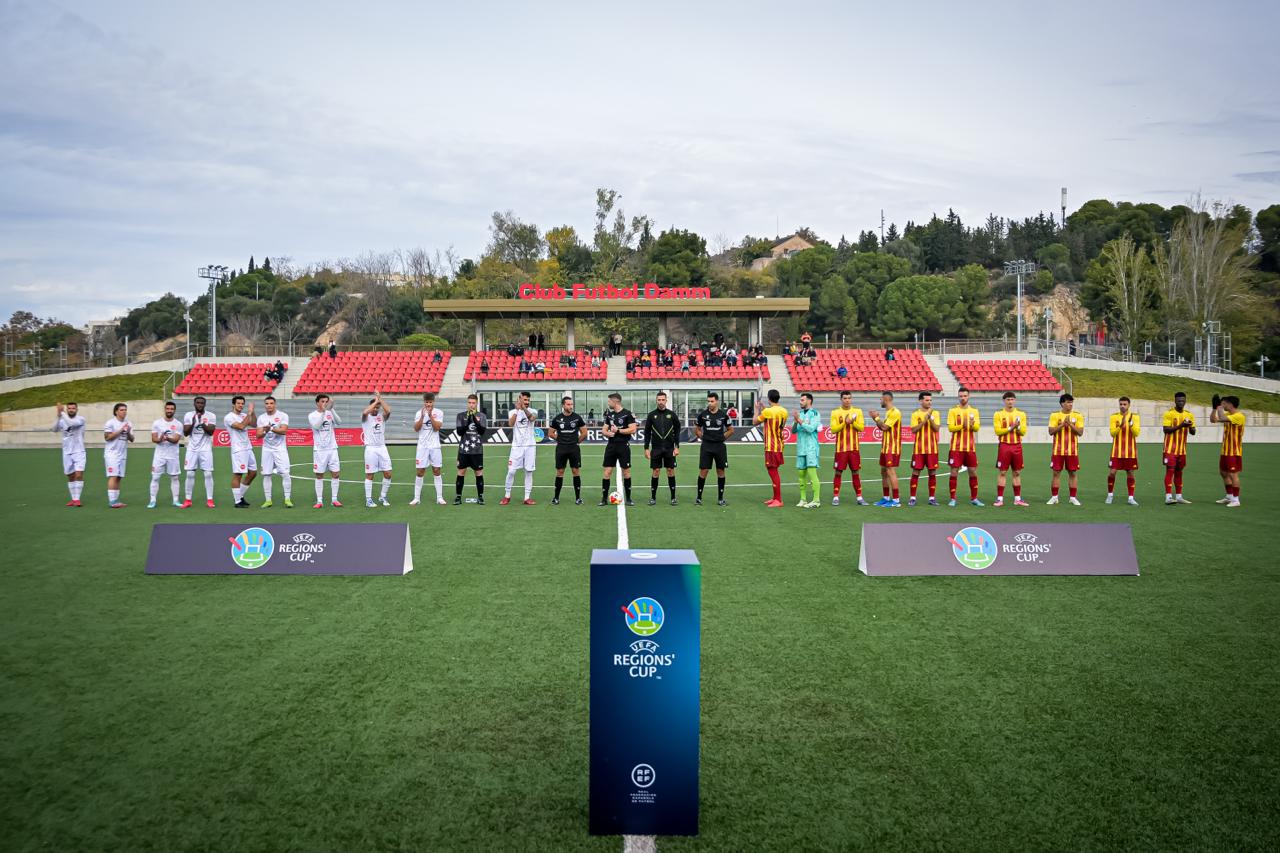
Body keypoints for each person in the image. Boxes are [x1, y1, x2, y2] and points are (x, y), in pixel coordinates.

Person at [991, 391, 1029, 506]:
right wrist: (1011, 427)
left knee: (1017, 472)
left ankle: (1017, 499)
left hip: (1017, 446)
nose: (1010, 402)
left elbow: (1023, 432)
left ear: (1015, 400)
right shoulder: (998, 414)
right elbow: (998, 431)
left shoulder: (1021, 414)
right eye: (1008, 399)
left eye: (1012, 399)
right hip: (1004, 446)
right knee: (1002, 472)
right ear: (1004, 401)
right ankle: (999, 499)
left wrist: (1017, 428)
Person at [695, 392, 733, 506]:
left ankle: (720, 498)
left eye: (712, 401)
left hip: (719, 446)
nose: (710, 403)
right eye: (708, 401)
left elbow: (731, 430)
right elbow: (697, 429)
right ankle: (698, 498)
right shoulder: (702, 415)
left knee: (720, 471)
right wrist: (703, 437)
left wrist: (722, 438)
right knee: (704, 471)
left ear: (717, 401)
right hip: (706, 446)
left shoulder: (723, 415)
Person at [829, 390, 866, 506]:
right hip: (841, 449)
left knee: (855, 472)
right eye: (845, 398)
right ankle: (836, 497)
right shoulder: (835, 412)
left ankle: (859, 497)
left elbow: (861, 428)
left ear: (851, 399)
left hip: (854, 449)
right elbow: (833, 429)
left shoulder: (857, 411)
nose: (847, 400)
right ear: (841, 399)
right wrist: (844, 423)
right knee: (838, 472)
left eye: (849, 398)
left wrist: (852, 423)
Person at [644, 391, 682, 506]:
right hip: (656, 448)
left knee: (670, 471)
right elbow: (647, 432)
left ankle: (673, 498)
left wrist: (677, 447)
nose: (661, 402)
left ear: (666, 400)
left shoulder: (672, 414)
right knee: (656, 471)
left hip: (669, 448)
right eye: (659, 400)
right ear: (656, 400)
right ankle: (653, 498)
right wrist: (646, 448)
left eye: (663, 400)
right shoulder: (651, 415)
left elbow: (677, 431)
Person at [947, 386, 983, 507]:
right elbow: (951, 428)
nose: (963, 398)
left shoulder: (974, 411)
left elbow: (977, 428)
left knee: (972, 472)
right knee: (954, 472)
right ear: (958, 397)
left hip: (970, 448)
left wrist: (971, 425)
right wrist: (963, 425)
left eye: (965, 396)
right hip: (956, 447)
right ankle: (952, 499)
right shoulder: (953, 411)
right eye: (961, 396)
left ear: (969, 396)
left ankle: (974, 498)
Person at [548, 396, 587, 505]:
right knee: (560, 472)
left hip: (574, 448)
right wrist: (560, 439)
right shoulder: (557, 419)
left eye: (571, 404)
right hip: (561, 449)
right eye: (568, 404)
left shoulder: (577, 418)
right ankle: (556, 498)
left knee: (575, 471)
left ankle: (578, 498)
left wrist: (577, 442)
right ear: (563, 405)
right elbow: (550, 433)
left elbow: (584, 433)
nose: (571, 406)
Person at [501, 391, 538, 506]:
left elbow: (532, 418)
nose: (527, 402)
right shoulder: (512, 412)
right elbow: (510, 424)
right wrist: (518, 410)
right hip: (516, 446)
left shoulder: (533, 411)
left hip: (530, 446)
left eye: (528, 400)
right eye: (524, 400)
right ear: (519, 399)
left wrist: (524, 408)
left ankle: (527, 497)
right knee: (511, 471)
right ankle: (507, 495)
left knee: (529, 471)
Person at [600, 392, 637, 506]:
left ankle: (629, 499)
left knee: (626, 472)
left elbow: (633, 429)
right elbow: (603, 430)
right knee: (607, 472)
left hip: (623, 446)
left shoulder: (627, 414)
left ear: (615, 401)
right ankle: (604, 499)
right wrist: (608, 433)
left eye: (609, 401)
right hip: (611, 446)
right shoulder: (610, 415)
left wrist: (618, 431)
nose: (608, 403)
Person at [1047, 393, 1084, 506]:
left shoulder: (1078, 416)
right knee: (1056, 473)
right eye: (1068, 402)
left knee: (1073, 473)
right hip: (1058, 450)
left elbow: (1080, 432)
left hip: (1072, 450)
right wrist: (1063, 425)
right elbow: (1051, 431)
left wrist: (1070, 425)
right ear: (1062, 403)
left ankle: (1073, 498)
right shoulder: (1054, 415)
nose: (1070, 404)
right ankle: (1054, 497)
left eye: (1071, 402)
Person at [753, 390, 788, 508]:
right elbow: (773, 418)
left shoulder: (768, 412)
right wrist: (764, 409)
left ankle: (778, 499)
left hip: (771, 446)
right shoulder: (784, 411)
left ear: (769, 398)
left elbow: (755, 422)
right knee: (773, 470)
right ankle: (775, 497)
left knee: (773, 471)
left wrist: (757, 410)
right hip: (779, 444)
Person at [257, 395, 292, 508]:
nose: (269, 405)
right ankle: (268, 500)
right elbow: (258, 435)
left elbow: (284, 430)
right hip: (267, 449)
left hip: (280, 449)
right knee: (266, 474)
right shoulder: (261, 418)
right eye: (267, 404)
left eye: (271, 403)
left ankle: (287, 499)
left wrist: (270, 428)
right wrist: (265, 431)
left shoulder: (283, 415)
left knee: (285, 474)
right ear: (264, 405)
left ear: (275, 404)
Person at [182, 395, 217, 508]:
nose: (200, 405)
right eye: (198, 402)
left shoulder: (211, 415)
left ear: (205, 404)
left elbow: (211, 432)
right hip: (192, 449)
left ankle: (210, 500)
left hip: (205, 449)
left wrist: (201, 422)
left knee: (208, 474)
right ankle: (188, 500)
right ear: (194, 404)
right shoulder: (188, 415)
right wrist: (193, 422)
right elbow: (186, 433)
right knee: (190, 473)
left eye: (202, 403)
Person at [308, 393, 343, 507]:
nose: (324, 404)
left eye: (326, 402)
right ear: (317, 403)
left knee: (336, 474)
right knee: (319, 475)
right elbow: (317, 426)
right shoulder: (312, 415)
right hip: (319, 450)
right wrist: (323, 412)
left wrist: (331, 409)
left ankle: (334, 499)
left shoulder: (329, 413)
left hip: (332, 448)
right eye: (322, 401)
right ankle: (319, 501)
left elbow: (339, 422)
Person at [412, 392, 447, 506]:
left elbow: (437, 428)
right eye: (426, 402)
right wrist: (422, 417)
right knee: (420, 471)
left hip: (435, 446)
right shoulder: (419, 413)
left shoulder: (439, 412)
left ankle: (439, 498)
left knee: (436, 470)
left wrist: (430, 415)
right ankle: (416, 498)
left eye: (430, 402)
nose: (428, 404)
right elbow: (416, 429)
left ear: (433, 402)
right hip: (422, 447)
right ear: (424, 402)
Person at [1161, 391, 1196, 505]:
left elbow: (1193, 432)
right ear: (1175, 401)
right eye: (1179, 401)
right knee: (1170, 470)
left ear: (1185, 401)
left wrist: (1190, 427)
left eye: (1183, 401)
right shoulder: (1169, 413)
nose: (1181, 402)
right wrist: (1181, 425)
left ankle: (1179, 496)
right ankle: (1168, 497)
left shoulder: (1189, 415)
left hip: (1182, 450)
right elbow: (1166, 430)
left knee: (1179, 472)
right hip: (1170, 449)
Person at [1210, 395, 1245, 507]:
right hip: (1225, 451)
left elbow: (1222, 417)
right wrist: (1214, 408)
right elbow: (1213, 420)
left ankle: (1236, 499)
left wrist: (1219, 407)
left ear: (1230, 404)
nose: (1222, 405)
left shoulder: (1239, 416)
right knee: (1223, 473)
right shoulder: (1229, 415)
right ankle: (1229, 496)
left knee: (1233, 474)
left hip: (1234, 451)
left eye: (1224, 403)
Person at [224, 395, 258, 508]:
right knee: (238, 474)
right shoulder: (229, 417)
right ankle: (237, 501)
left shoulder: (244, 415)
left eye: (242, 403)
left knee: (253, 472)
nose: (241, 405)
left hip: (248, 447)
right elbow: (242, 426)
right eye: (238, 403)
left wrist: (252, 412)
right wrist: (249, 413)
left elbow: (254, 424)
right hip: (238, 449)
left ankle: (240, 496)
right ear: (233, 404)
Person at [148, 400, 183, 509]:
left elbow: (176, 440)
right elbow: (154, 439)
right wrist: (159, 439)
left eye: (171, 409)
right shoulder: (157, 423)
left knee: (175, 477)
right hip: (159, 455)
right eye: (168, 409)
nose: (169, 411)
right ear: (165, 409)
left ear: (174, 410)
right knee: (155, 477)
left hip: (173, 455)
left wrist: (167, 438)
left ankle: (175, 500)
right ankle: (152, 500)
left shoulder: (178, 424)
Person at [869, 391, 902, 507]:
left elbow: (884, 427)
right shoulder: (888, 412)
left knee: (890, 471)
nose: (880, 401)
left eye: (881, 399)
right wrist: (876, 419)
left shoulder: (895, 412)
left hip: (892, 447)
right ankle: (886, 497)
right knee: (883, 471)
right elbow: (882, 427)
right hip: (885, 447)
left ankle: (896, 500)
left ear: (886, 399)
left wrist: (876, 417)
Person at [1106, 396, 1140, 505]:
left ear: (1129, 405)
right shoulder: (1114, 417)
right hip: (1116, 451)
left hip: (1130, 451)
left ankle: (1131, 498)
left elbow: (1136, 433)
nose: (1122, 406)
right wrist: (1120, 426)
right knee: (1112, 473)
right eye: (1121, 404)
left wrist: (1130, 424)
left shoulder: (1135, 417)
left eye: (1125, 404)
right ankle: (1110, 495)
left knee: (1130, 473)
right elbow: (1112, 434)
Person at [909, 391, 941, 506]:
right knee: (916, 472)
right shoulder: (915, 414)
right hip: (919, 449)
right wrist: (924, 420)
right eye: (927, 400)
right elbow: (913, 430)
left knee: (932, 472)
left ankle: (932, 498)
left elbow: (936, 429)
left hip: (932, 448)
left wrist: (930, 419)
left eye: (930, 400)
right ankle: (912, 498)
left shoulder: (935, 413)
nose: (929, 402)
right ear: (921, 401)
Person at [361, 390, 393, 507]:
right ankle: (368, 499)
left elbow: (388, 410)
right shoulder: (365, 417)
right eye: (374, 407)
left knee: (388, 473)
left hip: (382, 448)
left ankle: (382, 496)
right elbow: (365, 412)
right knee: (370, 474)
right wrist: (375, 402)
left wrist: (380, 399)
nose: (375, 409)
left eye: (377, 408)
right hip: (371, 449)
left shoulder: (382, 417)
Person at [455, 394, 488, 504]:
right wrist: (468, 421)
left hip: (477, 450)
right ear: (467, 403)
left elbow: (482, 431)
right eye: (469, 403)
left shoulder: (482, 416)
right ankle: (458, 497)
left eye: (473, 403)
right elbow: (459, 432)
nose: (471, 405)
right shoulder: (460, 416)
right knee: (461, 472)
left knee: (479, 473)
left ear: (477, 403)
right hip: (464, 450)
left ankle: (480, 497)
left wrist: (474, 419)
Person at [52, 402, 86, 506]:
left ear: (77, 409)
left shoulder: (80, 419)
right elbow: (54, 429)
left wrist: (62, 412)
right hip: (66, 452)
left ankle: (77, 499)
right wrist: (58, 415)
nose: (71, 410)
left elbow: (71, 423)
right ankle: (73, 499)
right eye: (69, 408)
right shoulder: (63, 419)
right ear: (67, 410)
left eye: (73, 408)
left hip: (79, 451)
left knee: (78, 474)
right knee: (70, 476)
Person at [103, 403, 135, 508]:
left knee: (119, 477)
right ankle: (112, 501)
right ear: (116, 411)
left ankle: (116, 500)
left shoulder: (129, 423)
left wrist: (128, 432)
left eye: (125, 410)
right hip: (112, 454)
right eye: (121, 410)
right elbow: (107, 437)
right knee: (113, 476)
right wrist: (121, 430)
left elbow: (132, 439)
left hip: (122, 454)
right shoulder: (110, 422)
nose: (124, 412)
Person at [793, 393, 822, 508]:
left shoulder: (815, 413)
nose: (800, 402)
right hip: (801, 448)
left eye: (802, 400)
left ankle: (816, 500)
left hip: (811, 448)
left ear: (809, 401)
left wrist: (799, 420)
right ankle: (803, 499)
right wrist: (796, 421)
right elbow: (793, 431)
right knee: (801, 474)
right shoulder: (800, 414)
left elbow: (811, 429)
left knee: (812, 473)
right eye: (800, 400)